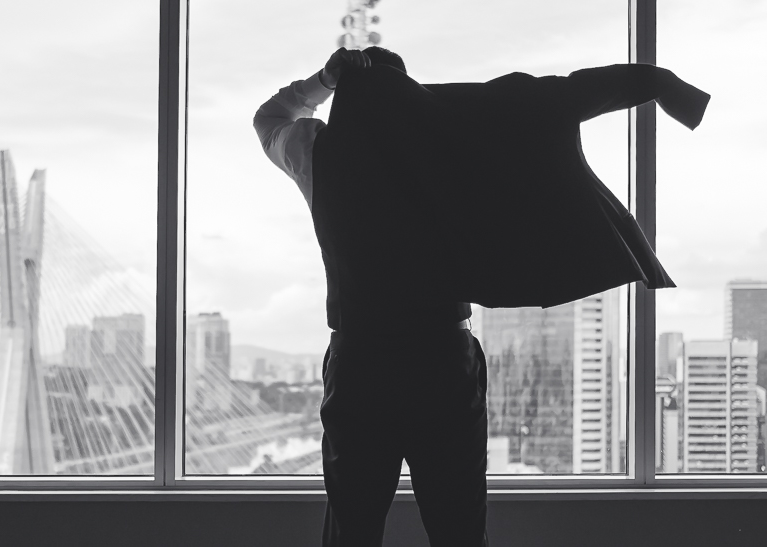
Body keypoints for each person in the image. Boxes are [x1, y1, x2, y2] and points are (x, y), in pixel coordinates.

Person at [254, 47, 710, 547]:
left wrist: (324, 79)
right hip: (442, 362)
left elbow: (270, 117)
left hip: (360, 363)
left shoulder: (317, 151)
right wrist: (661, 83)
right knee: (459, 530)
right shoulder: (453, 141)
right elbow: (567, 92)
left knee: (352, 529)